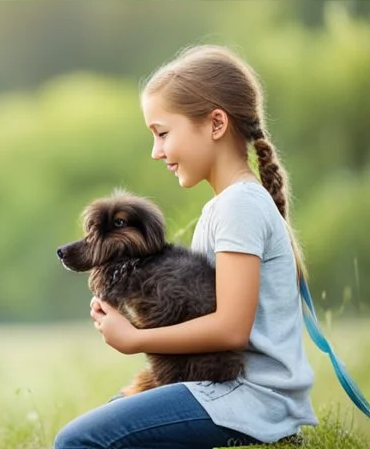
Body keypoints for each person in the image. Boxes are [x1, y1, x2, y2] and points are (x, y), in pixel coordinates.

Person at [55, 45, 316, 448]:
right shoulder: (225, 206)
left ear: (215, 124)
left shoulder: (239, 206)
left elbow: (230, 328)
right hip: (233, 395)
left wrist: (134, 339)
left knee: (79, 441)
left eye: (162, 133)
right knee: (111, 416)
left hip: (249, 402)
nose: (156, 151)